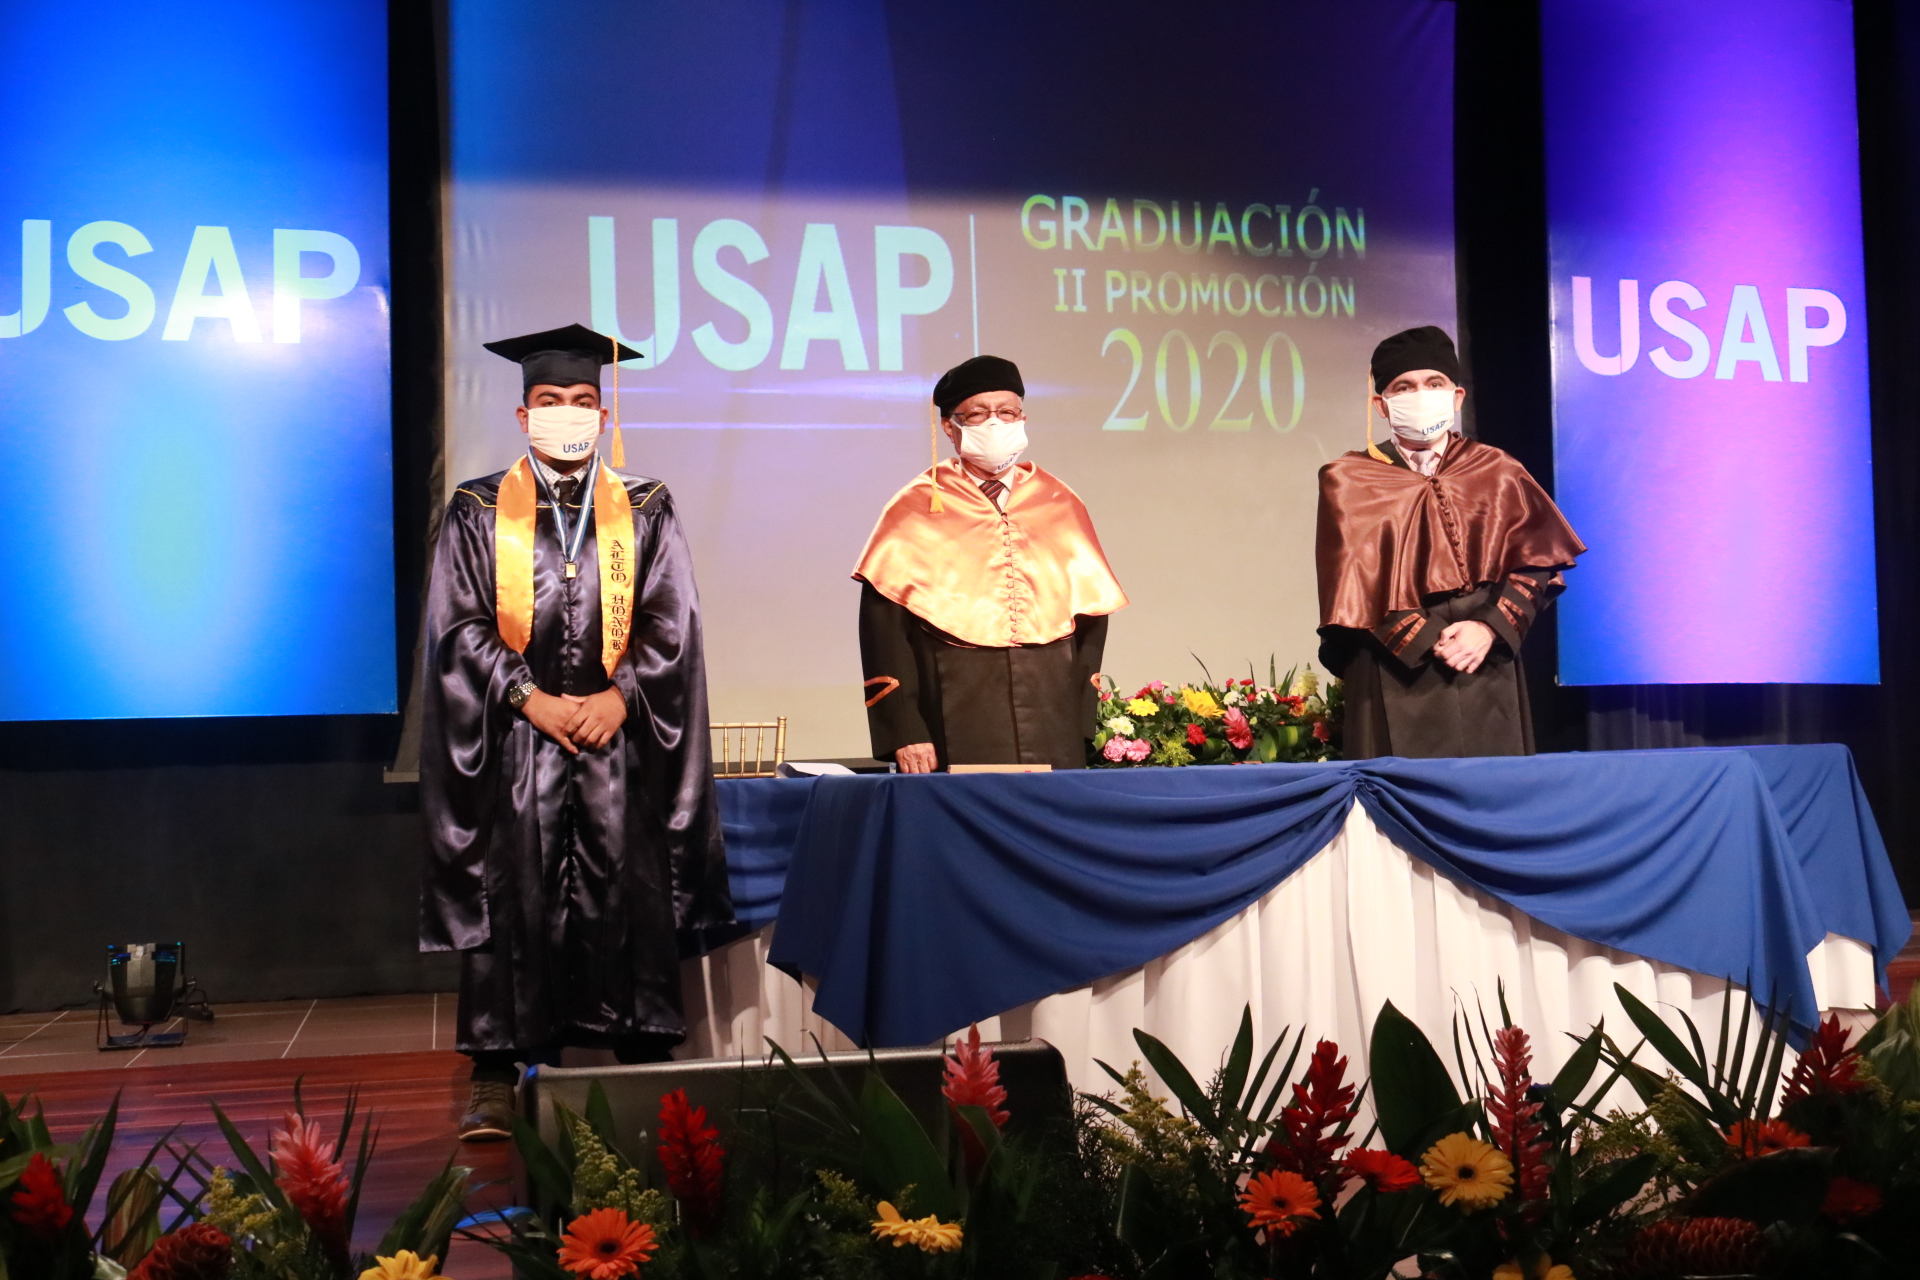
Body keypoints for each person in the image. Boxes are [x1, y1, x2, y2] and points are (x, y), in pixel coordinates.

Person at [418, 323, 731, 1139]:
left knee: (626, 890)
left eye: (584, 400)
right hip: (517, 742)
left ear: (603, 413)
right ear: (524, 416)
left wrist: (622, 696)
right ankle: (496, 1068)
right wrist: (527, 696)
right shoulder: (478, 509)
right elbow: (458, 627)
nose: (569, 413)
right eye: (552, 401)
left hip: (615, 743)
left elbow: (671, 621)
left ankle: (643, 1052)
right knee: (512, 893)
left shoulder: (647, 506)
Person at [1315, 326, 1586, 758]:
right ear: (1381, 405)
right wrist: (1426, 640)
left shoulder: (1496, 470)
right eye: (1404, 387)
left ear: (1457, 397)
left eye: (1434, 383)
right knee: (1399, 791)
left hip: (1484, 661)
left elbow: (1534, 562)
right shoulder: (1349, 479)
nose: (1420, 395)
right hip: (1393, 667)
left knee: (1493, 791)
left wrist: (1488, 627)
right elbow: (1352, 585)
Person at [852, 355, 1128, 772]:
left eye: (1007, 412)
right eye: (979, 414)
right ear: (950, 427)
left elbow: (1091, 615)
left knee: (1049, 809)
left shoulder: (1059, 502)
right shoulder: (916, 506)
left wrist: (1080, 717)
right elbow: (883, 632)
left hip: (1051, 707)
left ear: (1023, 419)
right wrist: (905, 730)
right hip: (955, 703)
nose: (996, 423)